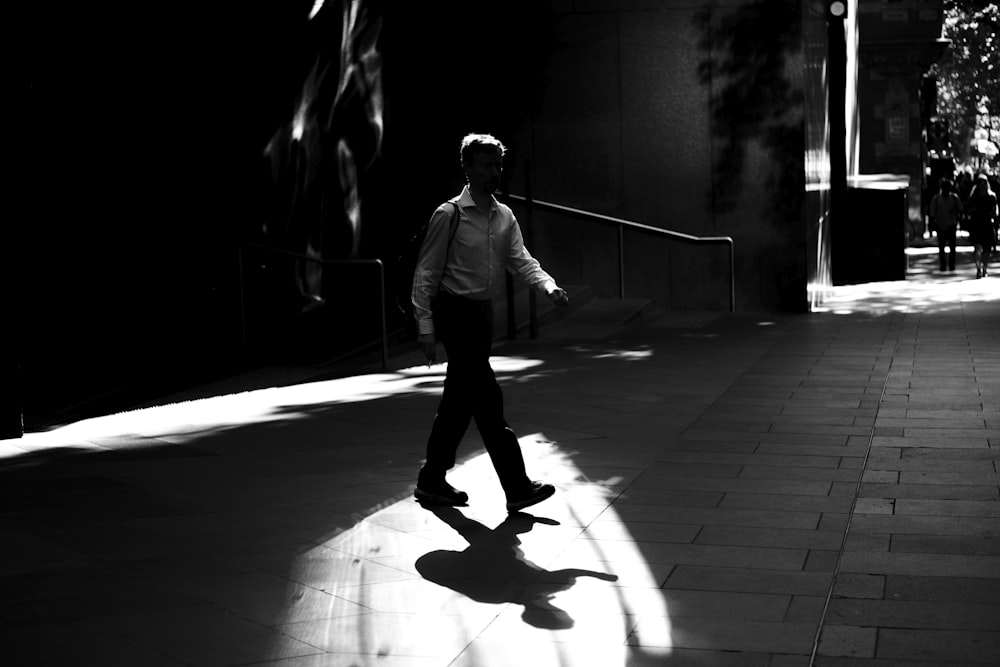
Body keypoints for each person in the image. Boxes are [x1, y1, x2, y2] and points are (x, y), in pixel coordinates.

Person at [411, 133, 569, 512]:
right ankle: (516, 487)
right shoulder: (449, 215)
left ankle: (431, 479)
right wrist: (427, 329)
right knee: (487, 400)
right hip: (455, 314)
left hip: (482, 316)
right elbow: (425, 274)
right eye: (486, 165)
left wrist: (548, 286)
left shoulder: (504, 216)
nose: (494, 172)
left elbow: (521, 259)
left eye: (498, 165)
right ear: (466, 168)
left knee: (457, 403)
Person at [965, 173, 998, 278]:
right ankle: (979, 268)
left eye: (984, 183)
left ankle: (984, 268)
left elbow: (995, 210)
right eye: (981, 183)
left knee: (987, 249)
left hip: (987, 224)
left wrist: (994, 217)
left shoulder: (991, 196)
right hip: (977, 225)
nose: (983, 186)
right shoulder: (974, 197)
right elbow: (968, 209)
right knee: (978, 247)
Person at [928, 178, 963, 272]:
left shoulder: (954, 198)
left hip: (952, 225)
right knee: (941, 247)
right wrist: (932, 224)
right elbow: (932, 212)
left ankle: (952, 265)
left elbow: (960, 209)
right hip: (940, 225)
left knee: (952, 247)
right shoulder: (936, 199)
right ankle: (943, 265)